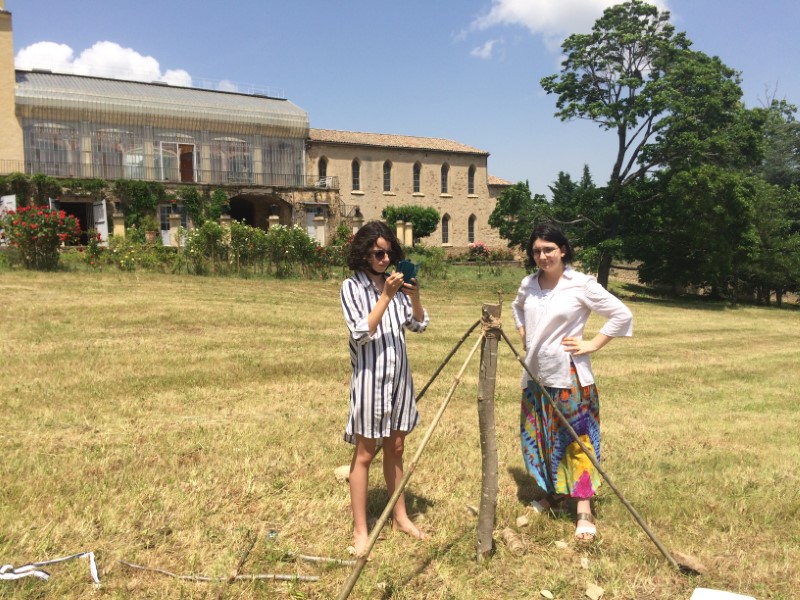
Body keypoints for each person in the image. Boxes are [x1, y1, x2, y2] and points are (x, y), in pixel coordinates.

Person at [511, 222, 633, 542]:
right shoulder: (528, 284)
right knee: (544, 438)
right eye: (537, 251)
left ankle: (583, 508)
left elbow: (621, 314)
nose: (543, 256)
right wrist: (525, 337)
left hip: (569, 378)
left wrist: (592, 344)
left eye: (549, 249)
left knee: (577, 441)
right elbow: (517, 309)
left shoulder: (581, 284)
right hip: (536, 377)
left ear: (562, 250)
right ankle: (555, 493)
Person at [340, 220, 429, 556]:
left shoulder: (396, 283)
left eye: (389, 253)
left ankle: (400, 516)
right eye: (378, 253)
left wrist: (414, 297)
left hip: (399, 379)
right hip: (370, 380)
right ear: (364, 252)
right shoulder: (352, 287)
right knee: (365, 453)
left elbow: (418, 324)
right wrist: (386, 296)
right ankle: (360, 529)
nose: (385, 259)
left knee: (397, 447)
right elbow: (361, 332)